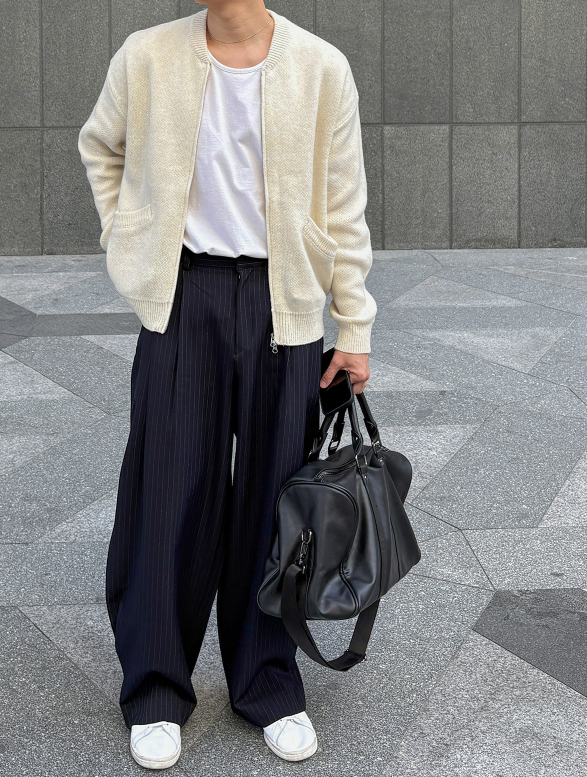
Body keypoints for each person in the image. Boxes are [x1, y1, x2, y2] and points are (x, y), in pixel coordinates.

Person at [78, 0, 376, 768]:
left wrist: (355, 324)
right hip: (185, 298)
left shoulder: (321, 67)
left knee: (277, 502)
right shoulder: (146, 55)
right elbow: (99, 145)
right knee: (166, 491)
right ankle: (154, 687)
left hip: (286, 303)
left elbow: (343, 205)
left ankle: (268, 682)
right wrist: (127, 236)